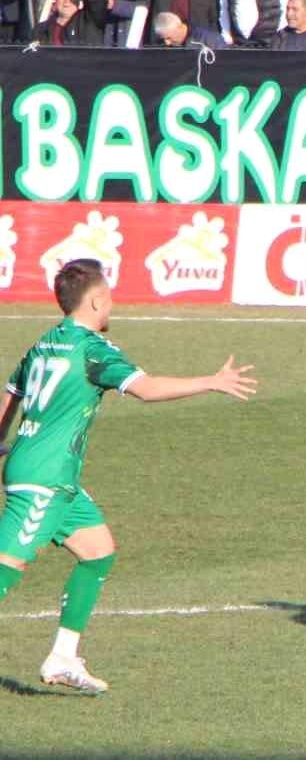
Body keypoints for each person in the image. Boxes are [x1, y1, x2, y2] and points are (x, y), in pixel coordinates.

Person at [0, 258, 256, 694]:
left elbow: (11, 396)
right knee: (7, 565)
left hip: (49, 474)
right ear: (97, 299)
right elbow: (147, 388)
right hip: (45, 477)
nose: (111, 305)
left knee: (98, 550)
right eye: (110, 297)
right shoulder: (93, 349)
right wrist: (210, 382)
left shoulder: (44, 343)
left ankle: (63, 656)